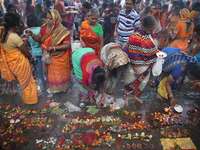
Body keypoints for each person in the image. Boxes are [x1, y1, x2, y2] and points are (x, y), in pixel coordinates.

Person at [26, 9, 71, 95]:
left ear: (56, 19)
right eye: (47, 18)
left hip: (60, 56)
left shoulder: (63, 31)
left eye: (50, 19)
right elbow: (40, 39)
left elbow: (67, 44)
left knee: (61, 73)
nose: (48, 20)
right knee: (50, 73)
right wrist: (32, 35)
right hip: (47, 55)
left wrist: (54, 48)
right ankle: (54, 88)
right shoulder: (44, 27)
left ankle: (63, 88)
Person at [0, 13, 38, 104]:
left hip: (12, 63)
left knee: (22, 81)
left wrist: (23, 40)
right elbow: (25, 51)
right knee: (28, 82)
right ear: (16, 24)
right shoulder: (14, 36)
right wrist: (31, 56)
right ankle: (31, 100)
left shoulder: (4, 34)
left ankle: (28, 98)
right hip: (20, 63)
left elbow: (15, 47)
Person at [123, 16, 159, 106]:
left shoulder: (148, 35)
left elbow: (151, 50)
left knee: (142, 83)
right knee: (129, 81)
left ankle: (136, 96)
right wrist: (135, 69)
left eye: (153, 30)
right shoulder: (135, 37)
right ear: (144, 27)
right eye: (150, 30)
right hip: (133, 66)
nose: (152, 32)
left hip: (146, 66)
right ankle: (127, 97)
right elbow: (132, 54)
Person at [24, 13, 46, 86]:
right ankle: (48, 79)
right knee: (46, 66)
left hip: (35, 52)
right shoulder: (40, 29)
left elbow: (26, 42)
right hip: (43, 51)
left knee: (39, 68)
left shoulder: (26, 31)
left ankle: (43, 81)